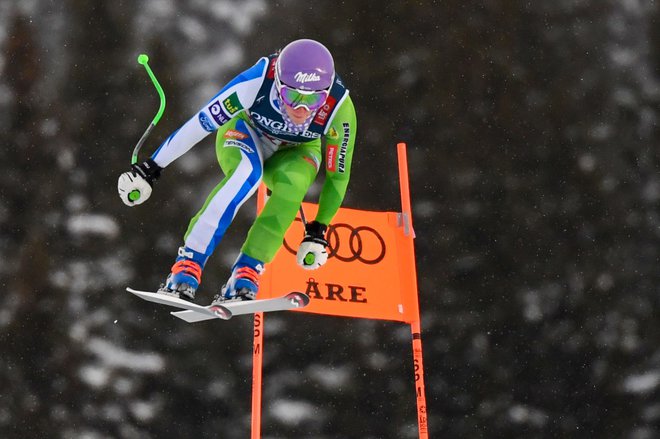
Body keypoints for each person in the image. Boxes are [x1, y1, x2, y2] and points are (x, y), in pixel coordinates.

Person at [118, 39, 357, 304]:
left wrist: (318, 230)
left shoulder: (339, 107)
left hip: (296, 151)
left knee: (293, 186)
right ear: (278, 84)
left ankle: (247, 272)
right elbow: (199, 125)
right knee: (247, 174)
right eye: (292, 97)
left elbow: (338, 176)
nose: (302, 110)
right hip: (245, 131)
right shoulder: (256, 81)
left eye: (314, 99)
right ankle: (188, 265)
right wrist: (152, 167)